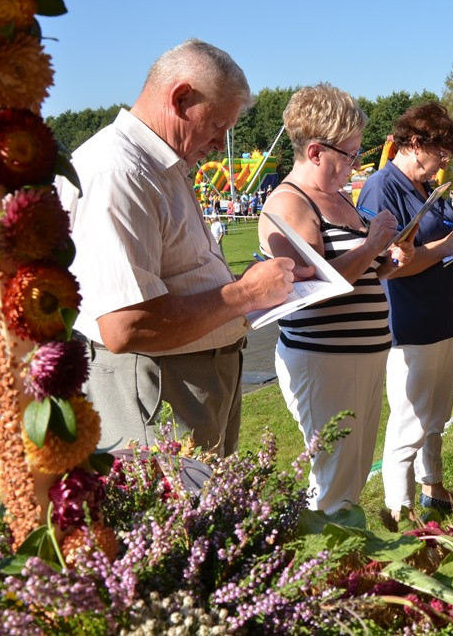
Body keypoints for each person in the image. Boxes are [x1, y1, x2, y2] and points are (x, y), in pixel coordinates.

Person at [58, 39, 302, 456]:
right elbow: (126, 325)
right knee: (172, 516)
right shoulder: (119, 173)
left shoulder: (160, 163)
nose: (220, 139)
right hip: (160, 386)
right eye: (217, 125)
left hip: (186, 380)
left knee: (209, 514)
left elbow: (182, 272)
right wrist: (246, 293)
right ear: (181, 98)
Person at [257, 83, 415, 514]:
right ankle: (328, 572)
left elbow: (362, 274)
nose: (355, 163)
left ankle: (344, 564)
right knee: (333, 480)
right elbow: (311, 291)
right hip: (323, 357)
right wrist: (370, 247)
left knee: (353, 471)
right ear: (314, 152)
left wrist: (389, 260)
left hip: (360, 355)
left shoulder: (338, 197)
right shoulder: (289, 203)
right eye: (348, 154)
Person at [357, 102, 453, 518]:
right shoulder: (381, 186)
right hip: (411, 321)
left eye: (448, 154)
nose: (443, 161)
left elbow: (432, 248)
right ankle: (398, 512)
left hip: (443, 314)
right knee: (409, 424)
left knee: (436, 416)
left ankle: (434, 489)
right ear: (412, 141)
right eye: (439, 151)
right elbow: (389, 267)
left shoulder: (431, 188)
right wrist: (451, 244)